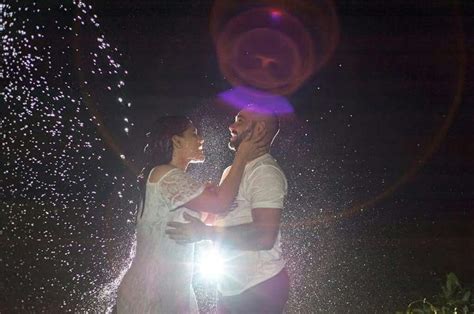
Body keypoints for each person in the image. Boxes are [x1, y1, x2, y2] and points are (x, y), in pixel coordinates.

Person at [115, 115, 265, 313]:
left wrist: (208, 206)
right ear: (176, 141)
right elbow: (220, 204)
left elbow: (207, 219)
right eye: (194, 134)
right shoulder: (164, 174)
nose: (201, 139)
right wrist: (242, 155)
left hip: (172, 296)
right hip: (149, 297)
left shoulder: (171, 178)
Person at [166, 106, 289, 314]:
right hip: (231, 288)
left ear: (259, 130)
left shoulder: (265, 172)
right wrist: (207, 215)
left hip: (259, 288)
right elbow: (226, 221)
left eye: (240, 121)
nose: (231, 126)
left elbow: (265, 236)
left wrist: (204, 233)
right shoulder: (231, 171)